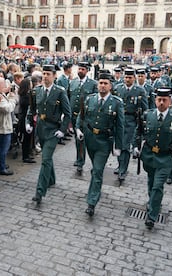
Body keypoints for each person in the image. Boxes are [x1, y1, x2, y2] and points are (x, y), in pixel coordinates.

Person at [133, 87, 172, 230]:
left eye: (164, 100)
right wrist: (136, 146)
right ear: (155, 100)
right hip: (149, 155)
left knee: (158, 185)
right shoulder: (148, 115)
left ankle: (152, 216)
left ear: (170, 102)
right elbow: (138, 131)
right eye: (159, 100)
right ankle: (153, 202)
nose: (161, 103)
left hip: (165, 158)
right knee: (151, 183)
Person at [75, 73, 124, 216]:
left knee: (97, 170)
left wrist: (118, 146)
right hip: (90, 139)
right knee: (95, 169)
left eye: (105, 83)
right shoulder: (90, 99)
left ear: (110, 86)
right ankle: (95, 186)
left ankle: (92, 202)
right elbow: (82, 115)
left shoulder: (116, 103)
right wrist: (78, 128)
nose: (102, 86)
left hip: (104, 141)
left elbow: (120, 126)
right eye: (100, 83)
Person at [27, 64, 71, 204]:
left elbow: (67, 113)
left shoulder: (60, 91)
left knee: (45, 160)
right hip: (41, 128)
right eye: (44, 74)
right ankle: (51, 179)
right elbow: (32, 108)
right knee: (47, 158)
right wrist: (28, 122)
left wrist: (62, 130)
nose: (45, 76)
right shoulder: (37, 91)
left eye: (48, 74)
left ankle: (40, 192)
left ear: (54, 76)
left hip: (53, 129)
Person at [113, 68, 148, 182]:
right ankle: (119, 165)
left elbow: (145, 109)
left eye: (130, 77)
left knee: (126, 146)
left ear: (134, 78)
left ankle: (123, 169)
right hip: (118, 120)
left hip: (131, 120)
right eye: (126, 77)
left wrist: (142, 124)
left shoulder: (140, 91)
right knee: (118, 144)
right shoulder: (118, 88)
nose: (127, 79)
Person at [69, 62, 98, 175]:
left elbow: (95, 101)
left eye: (82, 69)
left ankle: (94, 162)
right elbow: (69, 97)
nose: (80, 71)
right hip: (74, 115)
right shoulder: (73, 82)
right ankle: (80, 161)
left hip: (87, 117)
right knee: (78, 139)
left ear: (87, 71)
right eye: (79, 69)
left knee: (88, 140)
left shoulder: (93, 84)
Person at [0, 77, 17, 175]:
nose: (6, 87)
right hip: (2, 126)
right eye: (4, 85)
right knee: (2, 148)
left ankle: (0, 164)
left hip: (2, 125)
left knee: (1, 148)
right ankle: (0, 168)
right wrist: (13, 98)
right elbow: (8, 108)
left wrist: (8, 96)